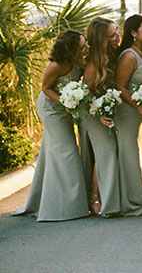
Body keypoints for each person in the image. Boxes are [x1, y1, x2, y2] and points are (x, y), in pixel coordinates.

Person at [13, 30, 90, 221]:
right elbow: (45, 88)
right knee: (67, 152)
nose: (86, 47)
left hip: (67, 107)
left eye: (86, 43)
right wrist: (65, 103)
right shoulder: (56, 65)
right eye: (82, 46)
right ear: (71, 49)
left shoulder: (81, 61)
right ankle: (69, 206)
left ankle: (49, 200)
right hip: (51, 108)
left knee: (51, 153)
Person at [80, 17, 122, 217]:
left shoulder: (113, 54)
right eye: (112, 35)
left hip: (106, 111)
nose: (117, 37)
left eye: (117, 32)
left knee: (108, 153)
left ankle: (108, 196)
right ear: (101, 40)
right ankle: (94, 195)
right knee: (105, 153)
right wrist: (98, 114)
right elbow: (84, 96)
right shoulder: (93, 64)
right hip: (92, 113)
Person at [114, 15, 142, 216]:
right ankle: (134, 201)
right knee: (131, 155)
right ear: (133, 33)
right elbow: (120, 86)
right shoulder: (129, 56)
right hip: (129, 112)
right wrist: (137, 106)